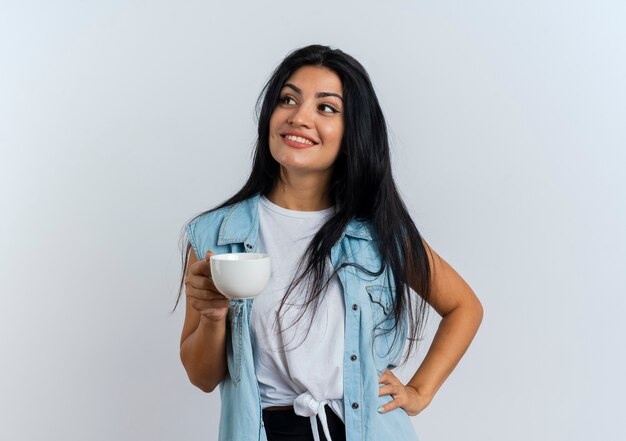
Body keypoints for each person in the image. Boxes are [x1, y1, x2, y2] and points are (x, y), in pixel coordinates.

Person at [174, 44, 483, 441]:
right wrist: (214, 317)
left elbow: (464, 306)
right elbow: (202, 377)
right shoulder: (215, 234)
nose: (299, 117)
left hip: (365, 430)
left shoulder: (380, 231)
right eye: (288, 99)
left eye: (326, 108)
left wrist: (419, 391)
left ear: (353, 131)